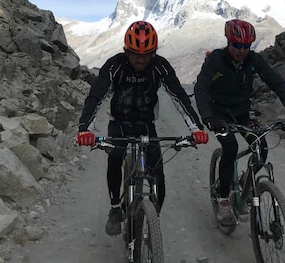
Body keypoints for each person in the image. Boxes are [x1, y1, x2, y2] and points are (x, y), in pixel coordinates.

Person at [76, 20, 209, 236]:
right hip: (118, 123)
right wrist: (85, 129)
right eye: (135, 54)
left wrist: (196, 129)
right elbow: (96, 96)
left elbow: (179, 97)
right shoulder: (115, 65)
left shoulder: (160, 66)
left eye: (147, 54)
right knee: (115, 158)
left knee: (159, 176)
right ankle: (114, 208)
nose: (141, 59)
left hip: (146, 125)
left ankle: (150, 222)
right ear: (126, 50)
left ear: (154, 52)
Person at [194, 18, 285, 226]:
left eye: (246, 46)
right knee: (230, 146)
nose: (242, 50)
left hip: (243, 113)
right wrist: (207, 117)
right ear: (228, 42)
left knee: (261, 145)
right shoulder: (216, 60)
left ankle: (246, 182)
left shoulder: (254, 61)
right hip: (219, 114)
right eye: (237, 45)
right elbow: (200, 88)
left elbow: (277, 83)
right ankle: (224, 199)